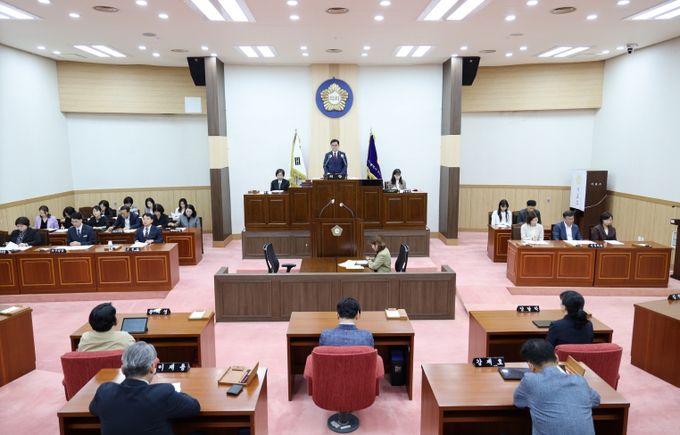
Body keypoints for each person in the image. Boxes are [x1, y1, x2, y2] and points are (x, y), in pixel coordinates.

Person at [89, 341, 200, 434]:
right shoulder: (163, 393)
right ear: (151, 367)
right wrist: (176, 393)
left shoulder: (105, 392)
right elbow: (194, 407)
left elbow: (94, 410)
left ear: (122, 369)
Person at [514, 339, 600, 435]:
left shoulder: (530, 380)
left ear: (530, 365)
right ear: (557, 357)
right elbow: (596, 400)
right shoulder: (579, 380)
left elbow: (519, 402)